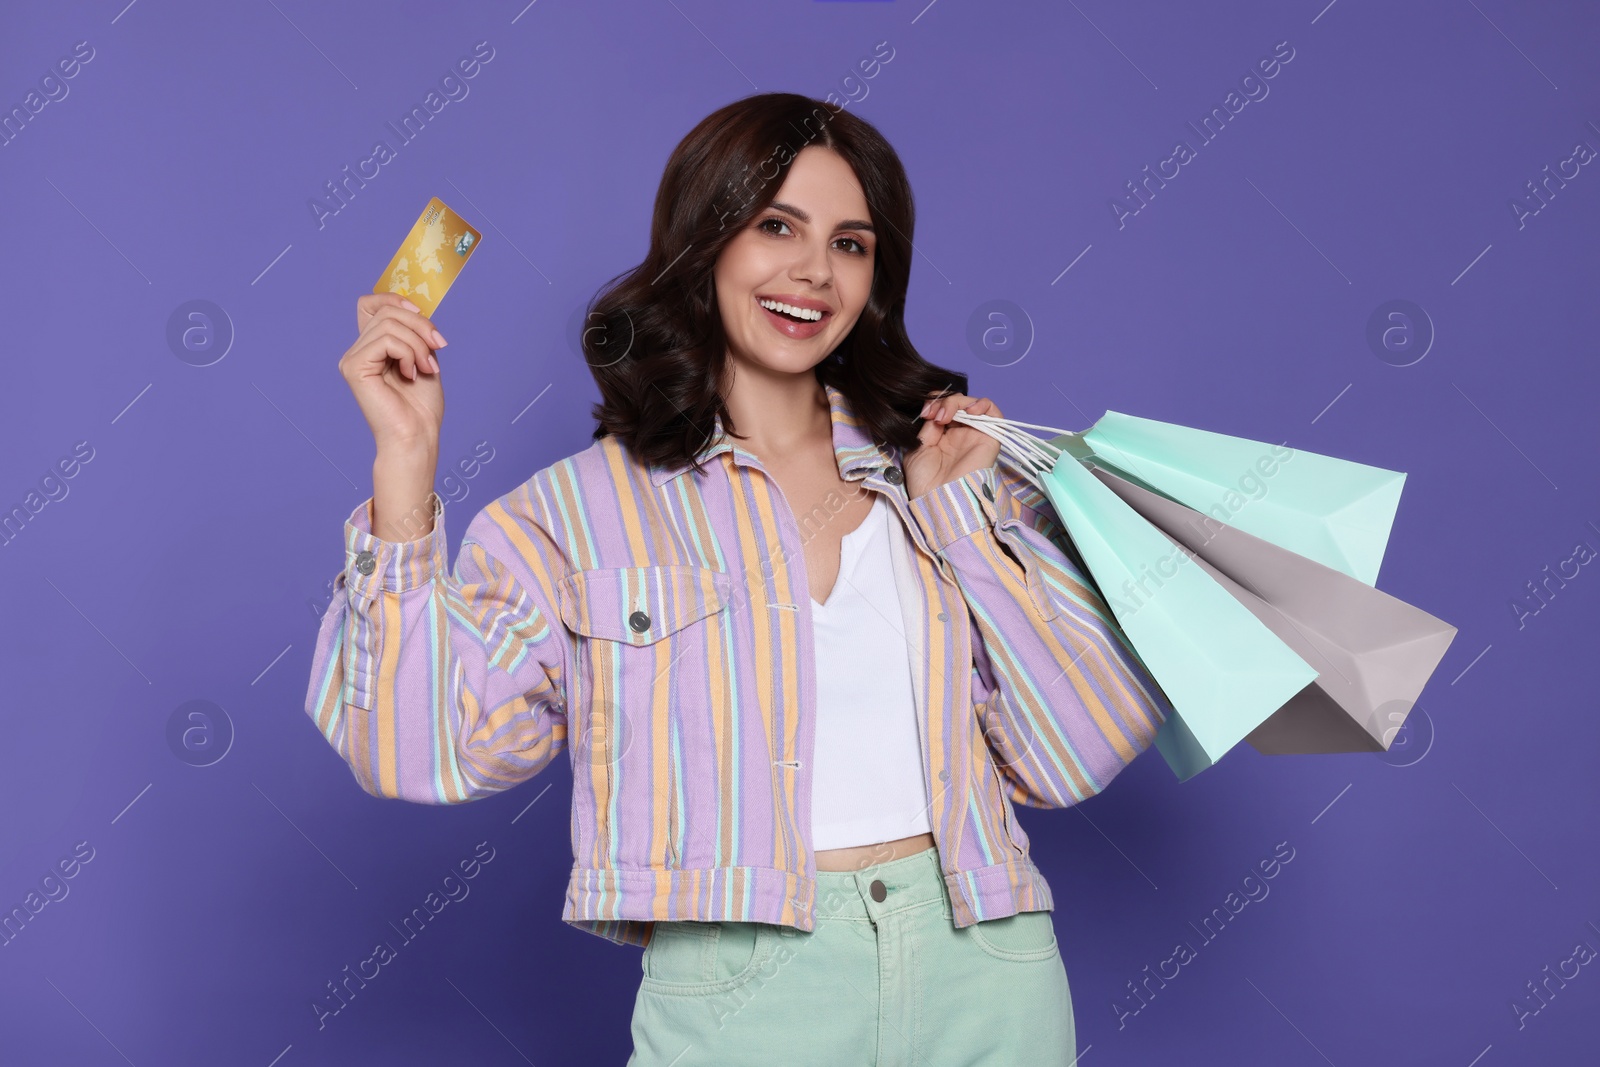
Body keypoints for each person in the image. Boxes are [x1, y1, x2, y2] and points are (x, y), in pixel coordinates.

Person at [305, 91, 1173, 1065]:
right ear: (702, 242)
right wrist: (404, 467)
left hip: (986, 967)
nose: (814, 269)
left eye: (851, 242)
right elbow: (413, 750)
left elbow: (1078, 750)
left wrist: (961, 521)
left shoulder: (943, 474)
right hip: (744, 986)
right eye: (776, 226)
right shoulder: (571, 515)